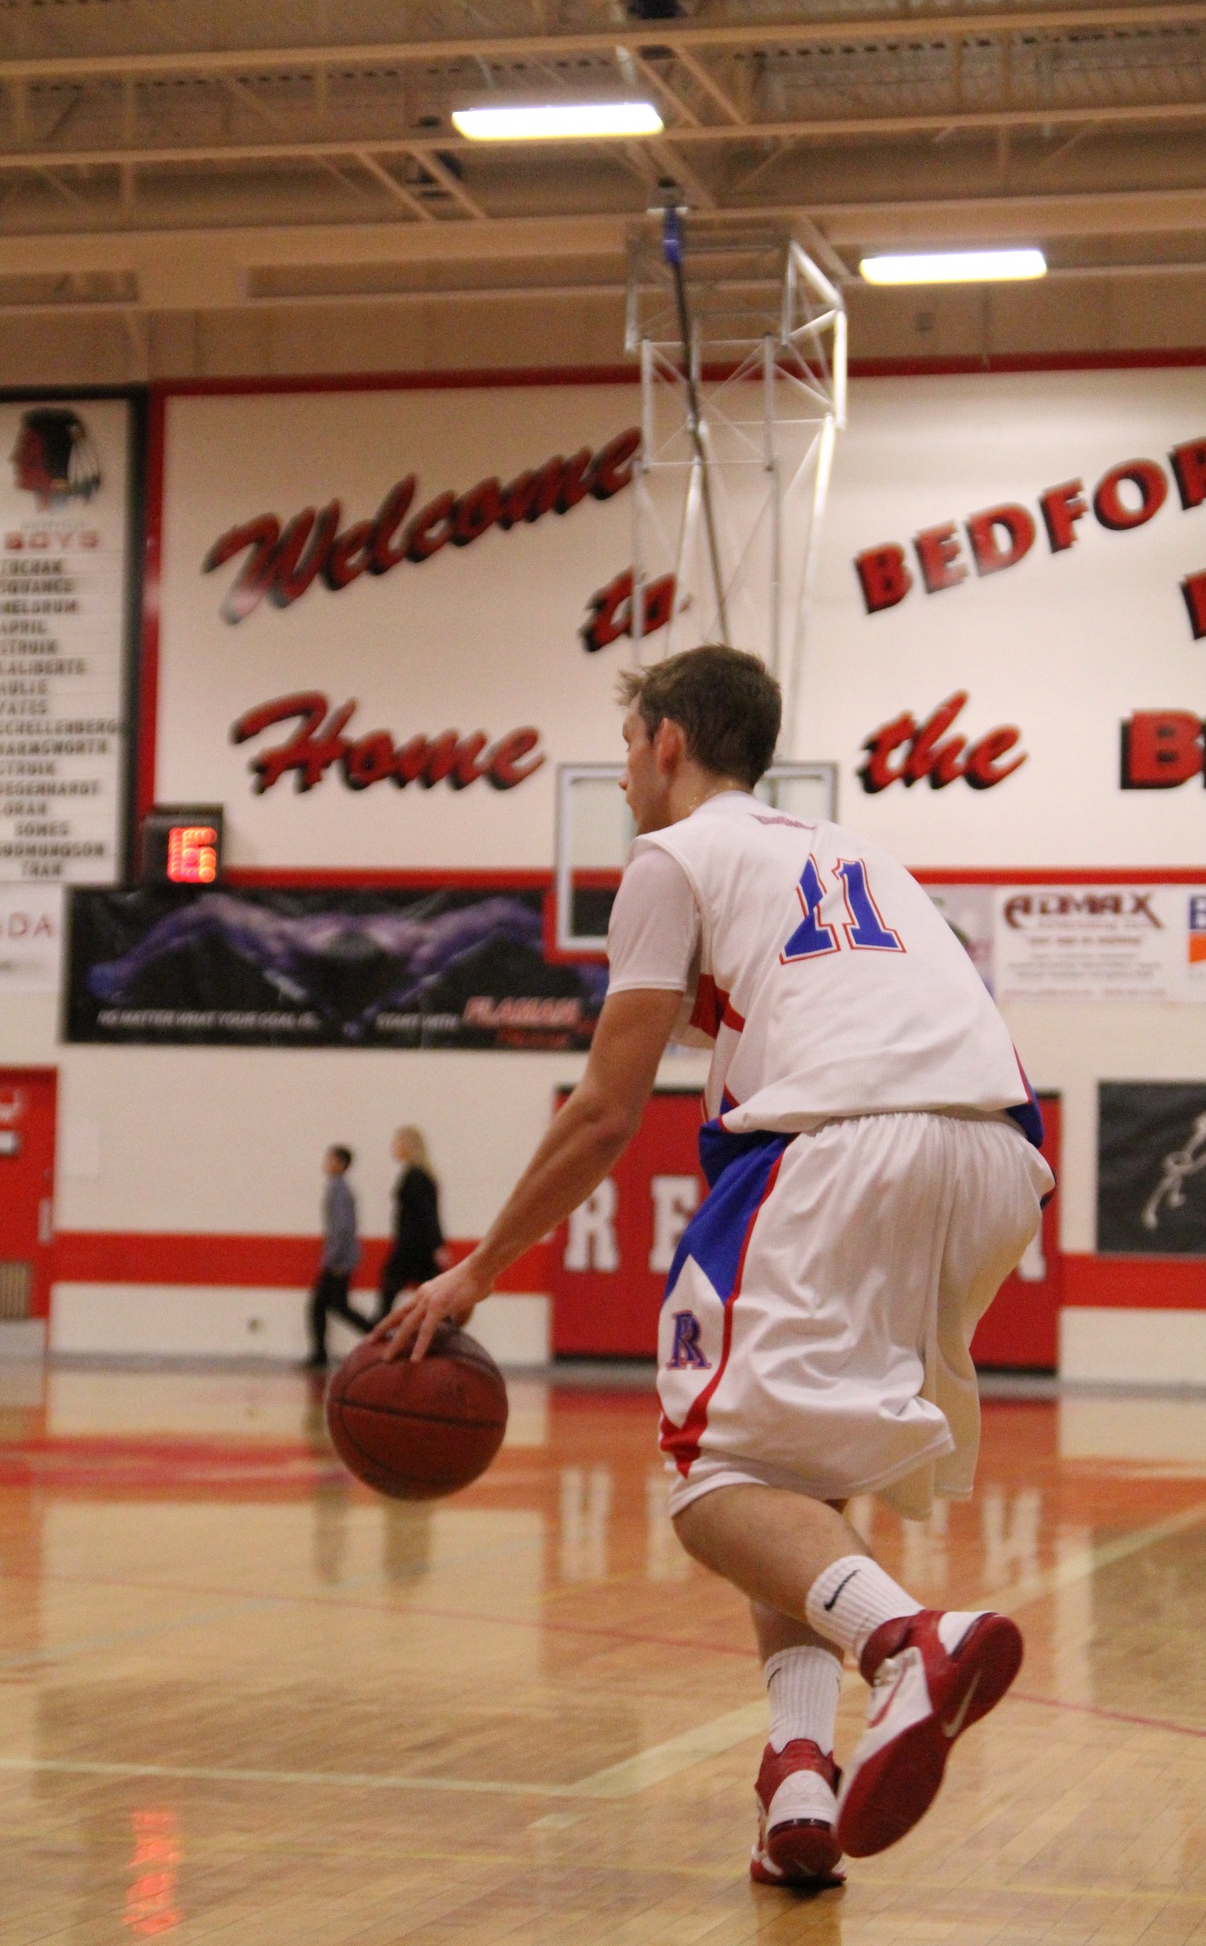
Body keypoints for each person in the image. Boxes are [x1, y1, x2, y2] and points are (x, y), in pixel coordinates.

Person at [380, 644, 1053, 1888]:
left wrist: (472, 1272)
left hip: (842, 1143)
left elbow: (603, 1110)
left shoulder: (672, 856)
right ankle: (798, 1774)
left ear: (668, 742)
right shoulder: (850, 855)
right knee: (791, 1475)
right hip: (1001, 1157)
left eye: (627, 747)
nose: (622, 778)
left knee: (711, 1484)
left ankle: (910, 1641)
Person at [303, 1145, 373, 1368]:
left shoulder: (339, 1190)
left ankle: (320, 1355)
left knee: (321, 1306)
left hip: (338, 1261)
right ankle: (378, 1335)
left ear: (341, 1163)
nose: (326, 1163)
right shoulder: (338, 1188)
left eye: (330, 1159)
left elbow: (342, 1228)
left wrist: (333, 1259)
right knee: (336, 1306)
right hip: (341, 1258)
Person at [379, 1126, 446, 1322]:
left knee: (389, 1293)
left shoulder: (415, 1176)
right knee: (432, 1299)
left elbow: (427, 1213)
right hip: (417, 1247)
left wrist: (438, 1245)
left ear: (408, 1146)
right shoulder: (418, 1174)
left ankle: (379, 1333)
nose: (393, 1148)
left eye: (397, 1143)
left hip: (412, 1247)